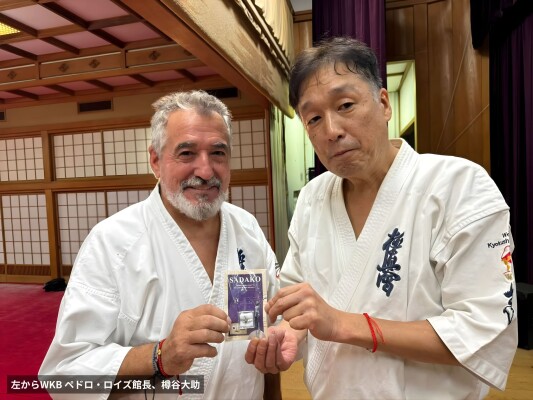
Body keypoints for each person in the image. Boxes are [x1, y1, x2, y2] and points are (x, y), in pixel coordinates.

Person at [245, 37, 518, 399]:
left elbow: (482, 328)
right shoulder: (312, 198)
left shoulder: (458, 186)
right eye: (313, 119)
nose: (331, 130)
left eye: (345, 105)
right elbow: (297, 300)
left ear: (384, 103)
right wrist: (287, 334)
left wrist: (342, 324)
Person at [39, 90, 280, 399]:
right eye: (187, 153)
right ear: (155, 160)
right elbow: (65, 375)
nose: (206, 171)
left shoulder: (247, 229)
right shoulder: (113, 242)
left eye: (218, 153)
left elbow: (268, 337)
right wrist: (160, 357)